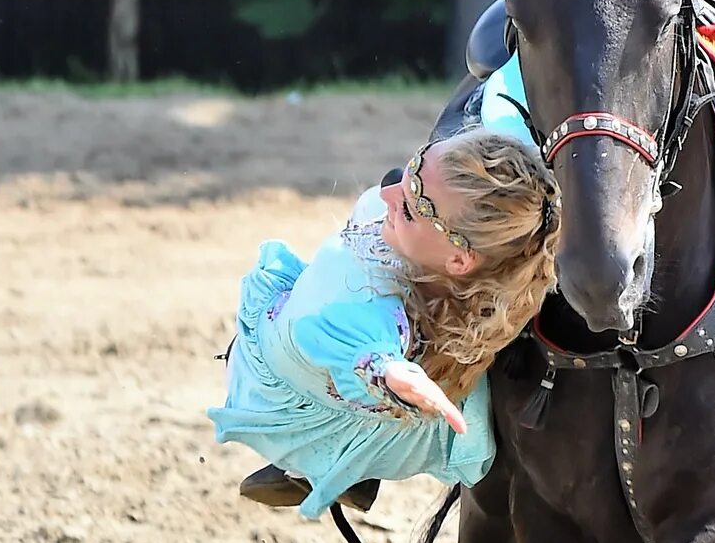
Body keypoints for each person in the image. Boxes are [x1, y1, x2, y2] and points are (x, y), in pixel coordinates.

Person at [211, 131, 559, 518]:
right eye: (409, 173)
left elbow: (362, 342)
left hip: (309, 381)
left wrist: (388, 371)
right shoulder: (500, 242)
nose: (388, 192)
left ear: (460, 261)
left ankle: (320, 466)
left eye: (411, 207)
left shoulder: (370, 299)